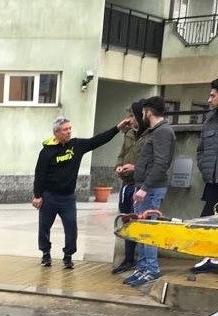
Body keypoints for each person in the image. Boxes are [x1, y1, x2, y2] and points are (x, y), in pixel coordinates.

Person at [32, 115, 132, 269]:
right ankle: (45, 253)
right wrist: (37, 196)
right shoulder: (46, 152)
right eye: (65, 130)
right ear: (56, 133)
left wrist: (117, 128)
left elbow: (97, 140)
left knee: (71, 227)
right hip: (49, 196)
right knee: (44, 227)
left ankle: (68, 255)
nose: (69, 132)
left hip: (67, 198)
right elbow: (39, 174)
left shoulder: (76, 146)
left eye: (70, 129)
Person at [124, 96, 175, 287]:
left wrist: (144, 189)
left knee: (149, 232)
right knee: (142, 231)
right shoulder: (155, 131)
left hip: (151, 190)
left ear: (149, 111)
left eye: (143, 111)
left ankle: (151, 269)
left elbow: (161, 163)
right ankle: (143, 267)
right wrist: (135, 168)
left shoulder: (162, 132)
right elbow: (151, 161)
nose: (142, 115)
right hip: (145, 187)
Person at [112, 100, 147, 274]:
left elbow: (154, 161)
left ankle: (139, 261)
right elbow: (121, 154)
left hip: (140, 184)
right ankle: (127, 259)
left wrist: (135, 168)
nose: (129, 119)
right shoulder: (129, 134)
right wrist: (119, 166)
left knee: (140, 222)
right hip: (126, 183)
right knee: (126, 218)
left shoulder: (149, 135)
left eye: (132, 116)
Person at [191, 80, 218, 274]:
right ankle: (210, 257)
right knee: (206, 219)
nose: (209, 100)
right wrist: (203, 167)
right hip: (212, 180)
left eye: (213, 95)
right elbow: (200, 149)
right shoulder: (209, 119)